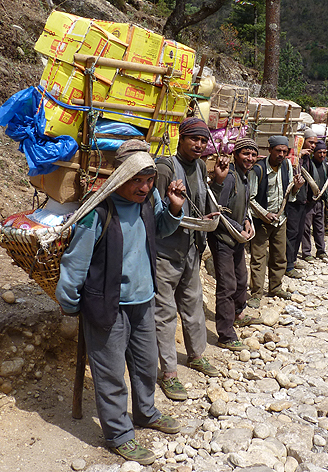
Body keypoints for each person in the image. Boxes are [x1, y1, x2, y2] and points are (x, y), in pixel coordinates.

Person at [55, 139, 186, 465]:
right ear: (120, 177)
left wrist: (174, 207)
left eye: (149, 179)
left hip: (143, 302)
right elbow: (74, 265)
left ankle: (146, 412)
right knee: (111, 374)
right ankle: (119, 434)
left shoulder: (147, 203)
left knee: (145, 365)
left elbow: (162, 230)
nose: (144, 187)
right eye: (136, 180)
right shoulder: (98, 212)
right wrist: (72, 305)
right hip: (106, 308)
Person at [154, 117, 228, 401]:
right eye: (193, 139)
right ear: (180, 138)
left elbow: (202, 202)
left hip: (192, 249)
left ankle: (196, 355)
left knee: (194, 304)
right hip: (166, 252)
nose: (199, 145)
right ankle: (169, 373)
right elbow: (155, 213)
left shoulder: (199, 167)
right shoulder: (165, 168)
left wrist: (217, 187)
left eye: (203, 141)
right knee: (164, 312)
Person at [208, 137, 259, 350]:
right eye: (245, 153)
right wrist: (239, 228)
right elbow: (217, 210)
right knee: (227, 285)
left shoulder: (246, 177)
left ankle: (238, 314)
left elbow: (242, 206)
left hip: (237, 237)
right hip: (223, 238)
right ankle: (226, 334)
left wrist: (246, 221)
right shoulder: (229, 177)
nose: (249, 158)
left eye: (253, 154)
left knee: (241, 278)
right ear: (236, 155)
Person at [248, 135, 304, 307]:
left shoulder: (286, 165)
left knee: (279, 256)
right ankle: (256, 294)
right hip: (261, 220)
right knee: (258, 258)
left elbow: (289, 193)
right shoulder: (257, 170)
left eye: (284, 151)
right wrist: (265, 214)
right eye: (278, 151)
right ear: (269, 150)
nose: (281, 154)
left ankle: (275, 287)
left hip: (280, 219)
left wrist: (297, 187)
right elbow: (250, 199)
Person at [302, 140, 328, 260]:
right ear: (314, 153)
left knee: (319, 228)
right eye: (320, 152)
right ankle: (306, 253)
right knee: (306, 229)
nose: (322, 155)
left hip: (319, 202)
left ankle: (321, 251)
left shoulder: (324, 166)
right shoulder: (309, 165)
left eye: (324, 153)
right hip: (309, 202)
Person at [285, 127, 316, 278]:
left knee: (299, 233)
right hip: (294, 200)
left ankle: (293, 260)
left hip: (304, 201)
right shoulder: (294, 157)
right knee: (292, 233)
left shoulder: (309, 158)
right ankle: (288, 265)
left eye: (315, 143)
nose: (313, 146)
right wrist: (298, 155)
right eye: (310, 142)